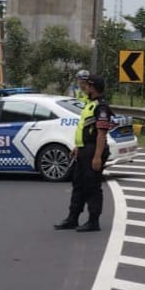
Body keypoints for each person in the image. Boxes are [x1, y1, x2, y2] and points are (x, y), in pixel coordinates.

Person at [54, 74, 113, 232]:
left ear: (92, 88)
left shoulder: (101, 107)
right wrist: (78, 147)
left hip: (93, 150)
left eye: (87, 85)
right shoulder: (90, 104)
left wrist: (97, 157)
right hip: (84, 149)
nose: (84, 88)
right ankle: (72, 218)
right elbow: (86, 129)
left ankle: (93, 221)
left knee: (92, 186)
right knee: (78, 184)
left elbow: (101, 134)